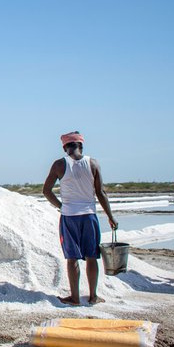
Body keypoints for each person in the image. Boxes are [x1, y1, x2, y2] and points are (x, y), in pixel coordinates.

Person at [43, 131, 118, 306]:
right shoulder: (93, 164)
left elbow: (46, 191)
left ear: (64, 148)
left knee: (72, 258)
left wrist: (62, 206)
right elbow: (101, 192)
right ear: (81, 146)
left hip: (69, 217)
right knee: (92, 257)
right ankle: (93, 296)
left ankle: (75, 298)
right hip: (89, 216)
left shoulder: (59, 165)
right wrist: (110, 216)